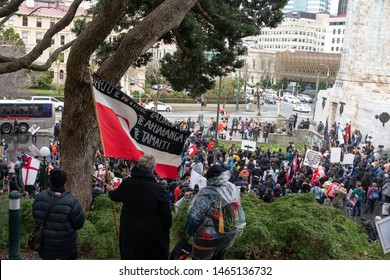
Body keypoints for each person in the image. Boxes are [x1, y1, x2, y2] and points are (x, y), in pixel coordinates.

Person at [106, 154, 172, 260]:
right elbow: (167, 217)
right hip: (152, 237)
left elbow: (116, 196)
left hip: (130, 234)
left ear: (139, 165)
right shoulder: (159, 190)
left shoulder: (127, 183)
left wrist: (110, 191)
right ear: (153, 168)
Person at [187, 165, 246, 260]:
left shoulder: (206, 194)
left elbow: (194, 218)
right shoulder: (232, 188)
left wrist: (190, 233)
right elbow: (239, 210)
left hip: (207, 239)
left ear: (208, 178)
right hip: (227, 235)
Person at [32, 169, 85, 260]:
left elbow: (36, 217)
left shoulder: (40, 197)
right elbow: (79, 223)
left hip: (46, 246)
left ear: (50, 180)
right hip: (66, 247)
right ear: (64, 181)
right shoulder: (71, 201)